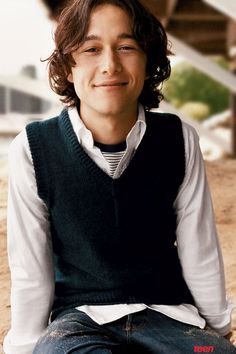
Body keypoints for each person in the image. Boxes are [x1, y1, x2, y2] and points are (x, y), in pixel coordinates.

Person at [3, 0, 236, 353]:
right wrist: (25, 345)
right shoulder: (33, 148)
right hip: (76, 321)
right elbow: (30, 267)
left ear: (148, 61)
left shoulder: (179, 139)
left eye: (127, 47)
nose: (110, 65)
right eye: (91, 49)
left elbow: (198, 246)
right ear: (67, 67)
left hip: (168, 314)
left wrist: (217, 326)